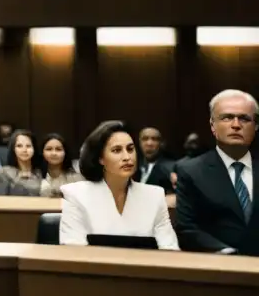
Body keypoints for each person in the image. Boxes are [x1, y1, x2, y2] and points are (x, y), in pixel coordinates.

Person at [59, 120, 178, 249]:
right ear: (100, 158)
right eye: (117, 150)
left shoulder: (154, 195)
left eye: (130, 149)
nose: (127, 157)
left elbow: (169, 249)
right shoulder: (76, 195)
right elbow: (73, 251)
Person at [176, 89, 259, 255]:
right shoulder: (191, 172)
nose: (236, 125)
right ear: (213, 125)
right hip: (219, 266)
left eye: (244, 118)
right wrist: (227, 253)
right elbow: (187, 228)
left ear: (256, 126)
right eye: (227, 117)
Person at [0, 130, 44, 196]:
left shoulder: (40, 172)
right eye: (19, 146)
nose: (24, 150)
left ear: (34, 148)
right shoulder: (4, 173)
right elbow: (0, 200)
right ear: (13, 149)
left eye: (28, 146)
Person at [39, 133, 82, 197]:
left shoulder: (77, 175)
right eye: (49, 149)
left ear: (65, 152)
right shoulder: (37, 174)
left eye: (58, 149)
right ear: (42, 152)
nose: (54, 153)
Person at [135, 127, 175, 195]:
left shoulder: (171, 168)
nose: (149, 143)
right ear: (139, 143)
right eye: (145, 139)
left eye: (154, 139)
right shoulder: (133, 167)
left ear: (161, 144)